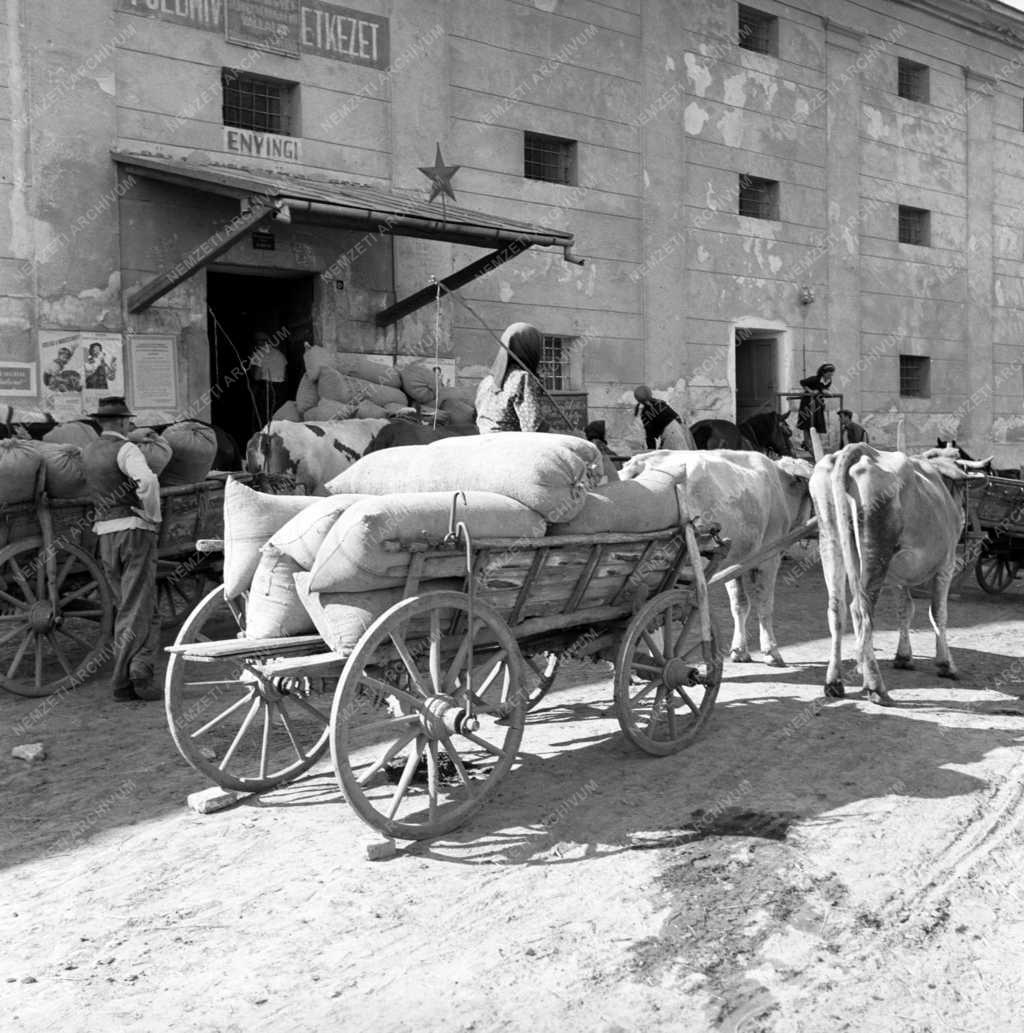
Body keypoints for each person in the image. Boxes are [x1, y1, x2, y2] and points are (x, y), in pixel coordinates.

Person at [81, 397, 163, 702]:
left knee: (133, 606)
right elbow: (148, 481)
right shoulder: (127, 450)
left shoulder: (88, 452)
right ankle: (124, 681)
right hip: (133, 531)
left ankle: (139, 671)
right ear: (121, 422)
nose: (131, 425)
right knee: (136, 607)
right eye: (129, 421)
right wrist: (152, 516)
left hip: (105, 535)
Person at [475, 322, 548, 433]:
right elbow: (533, 427)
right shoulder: (523, 379)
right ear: (530, 348)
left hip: (485, 441)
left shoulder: (487, 381)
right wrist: (571, 435)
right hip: (511, 444)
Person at [633, 385, 695, 450]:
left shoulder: (645, 413)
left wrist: (651, 451)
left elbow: (650, 436)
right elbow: (677, 417)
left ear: (638, 399)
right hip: (681, 430)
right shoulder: (659, 403)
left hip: (671, 436)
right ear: (650, 393)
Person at [249, 330, 287, 425]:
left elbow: (257, 377)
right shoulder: (280, 354)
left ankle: (263, 436)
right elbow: (285, 375)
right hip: (281, 389)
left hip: (266, 389)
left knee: (264, 417)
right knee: (277, 415)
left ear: (259, 342)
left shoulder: (259, 354)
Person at [796, 362, 835, 453]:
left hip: (818, 404)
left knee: (816, 423)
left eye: (832, 373)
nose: (831, 375)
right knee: (807, 424)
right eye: (830, 373)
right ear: (824, 373)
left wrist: (827, 392)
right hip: (808, 402)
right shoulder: (815, 379)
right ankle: (807, 444)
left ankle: (812, 444)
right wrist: (811, 391)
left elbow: (823, 389)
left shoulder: (828, 381)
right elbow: (802, 382)